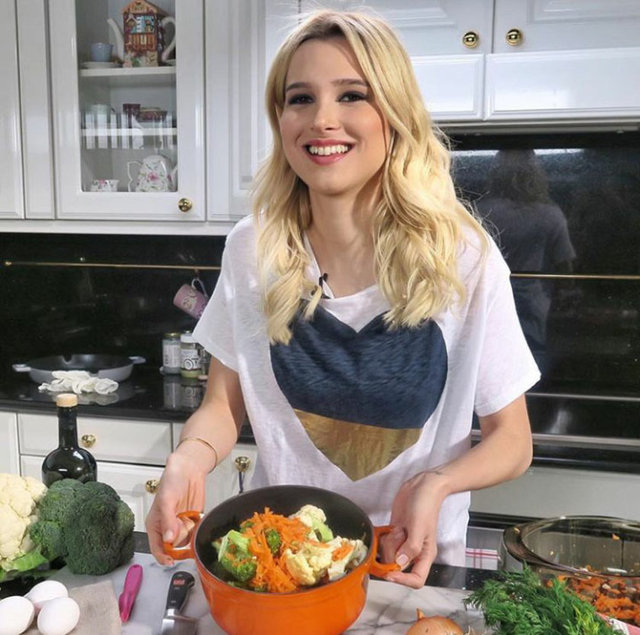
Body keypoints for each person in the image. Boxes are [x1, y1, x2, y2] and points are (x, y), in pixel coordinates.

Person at [146, 9, 540, 589]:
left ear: (394, 113)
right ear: (280, 119)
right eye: (300, 98)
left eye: (352, 95)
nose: (322, 120)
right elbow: (223, 407)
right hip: (282, 567)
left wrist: (435, 483)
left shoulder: (463, 258)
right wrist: (188, 457)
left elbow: (513, 442)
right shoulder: (252, 249)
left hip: (408, 565)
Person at [475, 149, 576, 373]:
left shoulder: (479, 212)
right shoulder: (550, 215)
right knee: (530, 366)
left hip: (488, 298)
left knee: (489, 359)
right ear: (536, 175)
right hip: (533, 304)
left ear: (495, 174)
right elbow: (566, 272)